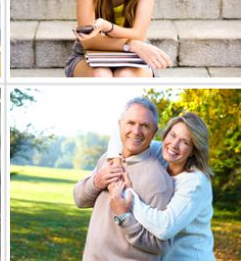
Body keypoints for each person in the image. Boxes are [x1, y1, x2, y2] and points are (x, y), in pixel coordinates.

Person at [73, 97, 174, 260]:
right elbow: (79, 199)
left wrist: (124, 217)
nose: (136, 131)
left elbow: (161, 245)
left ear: (154, 131)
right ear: (120, 125)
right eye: (131, 123)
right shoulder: (108, 159)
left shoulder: (158, 180)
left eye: (145, 126)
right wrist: (96, 182)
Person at [108, 112, 215, 260]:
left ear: (194, 150)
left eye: (185, 142)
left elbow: (164, 227)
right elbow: (119, 136)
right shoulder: (161, 152)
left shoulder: (195, 182)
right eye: (172, 135)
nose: (174, 145)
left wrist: (129, 196)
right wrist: (116, 160)